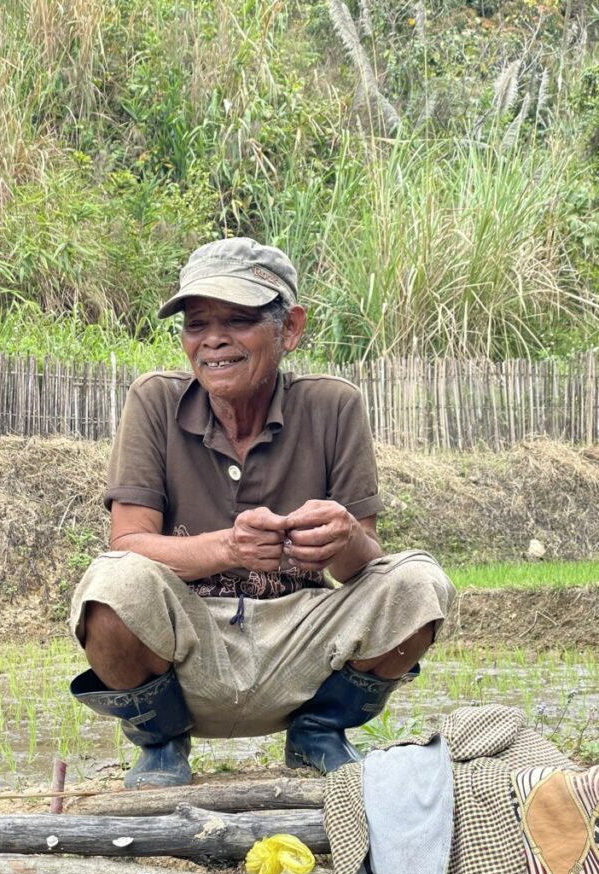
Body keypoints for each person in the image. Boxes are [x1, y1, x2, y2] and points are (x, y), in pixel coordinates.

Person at [69, 237, 455, 789]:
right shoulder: (154, 400)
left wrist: (345, 538)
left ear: (289, 329)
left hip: (302, 647)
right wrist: (228, 547)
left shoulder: (333, 405)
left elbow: (363, 568)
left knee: (418, 583)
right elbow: (128, 541)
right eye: (197, 324)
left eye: (238, 320)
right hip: (188, 648)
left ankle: (319, 729)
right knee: (111, 585)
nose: (213, 339)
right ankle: (160, 740)